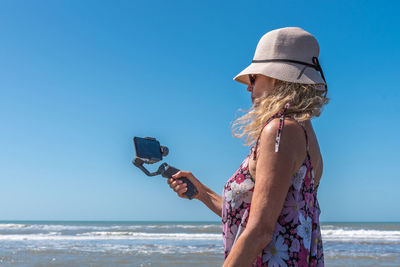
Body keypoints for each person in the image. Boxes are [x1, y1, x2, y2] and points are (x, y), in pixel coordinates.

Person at [167, 27, 329, 266]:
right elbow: (268, 218)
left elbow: (260, 231)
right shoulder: (304, 131)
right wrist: (202, 193)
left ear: (277, 78)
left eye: (254, 78)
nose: (248, 87)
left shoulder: (281, 130)